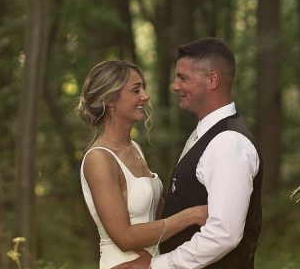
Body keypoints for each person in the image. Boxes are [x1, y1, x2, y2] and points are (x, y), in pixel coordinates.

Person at [113, 37, 262, 269]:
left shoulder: (228, 142)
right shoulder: (204, 135)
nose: (175, 86)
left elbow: (224, 234)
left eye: (183, 78)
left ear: (213, 80)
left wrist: (157, 266)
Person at [77, 59, 210, 269]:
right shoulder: (99, 159)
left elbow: (156, 220)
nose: (146, 97)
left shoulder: (135, 149)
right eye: (136, 90)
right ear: (111, 100)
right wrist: (191, 215)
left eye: (144, 89)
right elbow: (124, 237)